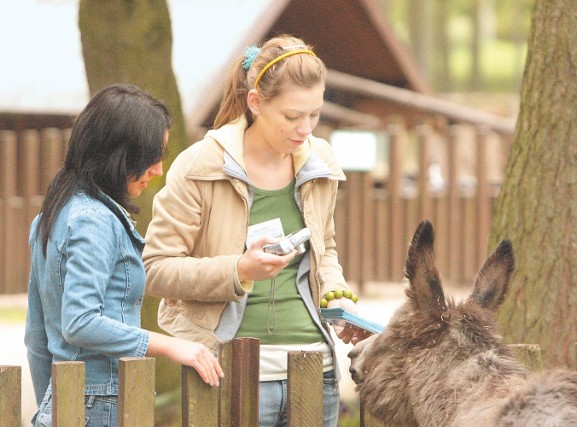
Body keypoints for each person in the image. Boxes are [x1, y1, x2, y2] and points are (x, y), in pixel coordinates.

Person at [142, 35, 369, 426]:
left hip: (315, 369)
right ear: (256, 103)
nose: (305, 128)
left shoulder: (320, 161)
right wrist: (238, 271)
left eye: (314, 114)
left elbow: (324, 248)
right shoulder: (198, 165)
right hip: (230, 371)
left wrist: (337, 295)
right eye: (292, 116)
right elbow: (156, 270)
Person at [24, 84, 224, 427]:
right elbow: (80, 321)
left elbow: (36, 338)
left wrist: (55, 406)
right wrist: (170, 345)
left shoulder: (52, 216)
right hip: (101, 405)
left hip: (68, 404)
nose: (159, 169)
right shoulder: (94, 220)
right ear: (118, 154)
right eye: (152, 155)